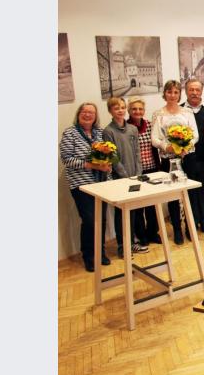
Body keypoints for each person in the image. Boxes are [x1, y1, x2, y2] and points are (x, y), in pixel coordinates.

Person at [60, 103, 112, 272]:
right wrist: (92, 166)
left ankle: (101, 253)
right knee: (90, 221)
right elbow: (67, 159)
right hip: (81, 185)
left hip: (101, 183)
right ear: (78, 114)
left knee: (101, 220)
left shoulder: (99, 132)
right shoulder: (70, 133)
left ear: (96, 116)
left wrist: (107, 165)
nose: (88, 115)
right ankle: (89, 256)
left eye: (91, 112)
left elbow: (108, 154)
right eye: (84, 112)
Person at [151, 80, 199, 245]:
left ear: (180, 94)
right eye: (169, 92)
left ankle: (189, 228)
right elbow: (154, 138)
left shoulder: (187, 112)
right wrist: (167, 146)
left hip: (187, 157)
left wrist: (186, 145)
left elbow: (195, 135)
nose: (173, 95)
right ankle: (177, 229)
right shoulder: (159, 114)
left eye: (176, 92)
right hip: (169, 159)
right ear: (164, 94)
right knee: (172, 195)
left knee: (189, 193)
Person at [103, 97, 147, 256]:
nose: (120, 110)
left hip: (135, 176)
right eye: (116, 108)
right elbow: (113, 157)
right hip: (120, 178)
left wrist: (138, 173)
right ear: (110, 111)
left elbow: (137, 153)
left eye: (122, 107)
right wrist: (125, 175)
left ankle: (133, 242)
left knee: (133, 211)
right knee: (122, 213)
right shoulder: (108, 131)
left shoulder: (132, 129)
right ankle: (123, 246)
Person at [181, 79, 204, 233]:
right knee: (191, 193)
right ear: (186, 91)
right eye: (191, 90)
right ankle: (192, 224)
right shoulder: (181, 110)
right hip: (187, 158)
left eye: (197, 89)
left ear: (201, 91)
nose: (194, 93)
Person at [127, 97, 162, 245]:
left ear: (144, 111)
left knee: (153, 203)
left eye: (140, 109)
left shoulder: (149, 125)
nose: (137, 111)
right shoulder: (126, 127)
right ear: (129, 111)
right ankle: (142, 235)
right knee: (138, 205)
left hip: (152, 168)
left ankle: (153, 232)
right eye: (134, 109)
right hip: (136, 171)